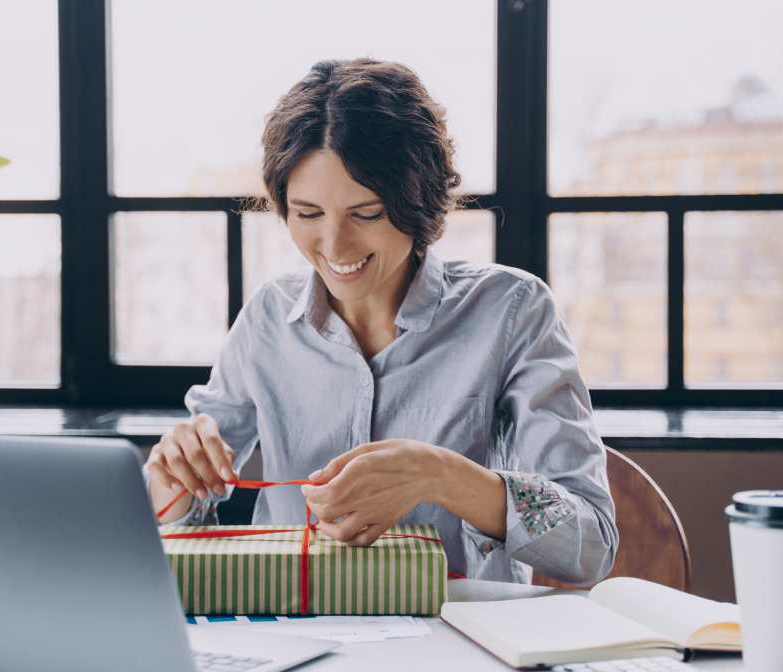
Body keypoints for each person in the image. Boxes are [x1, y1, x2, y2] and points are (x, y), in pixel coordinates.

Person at [145, 58, 617, 585]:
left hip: (454, 630)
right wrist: (174, 480)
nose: (335, 246)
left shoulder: (513, 311)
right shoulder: (267, 319)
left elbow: (591, 545)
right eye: (307, 214)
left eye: (366, 214)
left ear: (420, 200)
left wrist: (441, 475)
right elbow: (179, 524)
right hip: (292, 624)